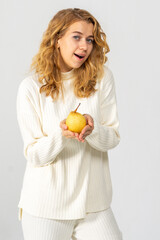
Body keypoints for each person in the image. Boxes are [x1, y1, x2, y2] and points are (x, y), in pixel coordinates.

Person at [16, 8, 123, 240]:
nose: (84, 46)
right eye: (77, 37)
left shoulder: (102, 79)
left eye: (90, 39)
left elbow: (113, 137)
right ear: (57, 39)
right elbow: (33, 154)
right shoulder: (31, 88)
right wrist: (60, 135)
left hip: (93, 205)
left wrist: (93, 131)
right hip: (46, 209)